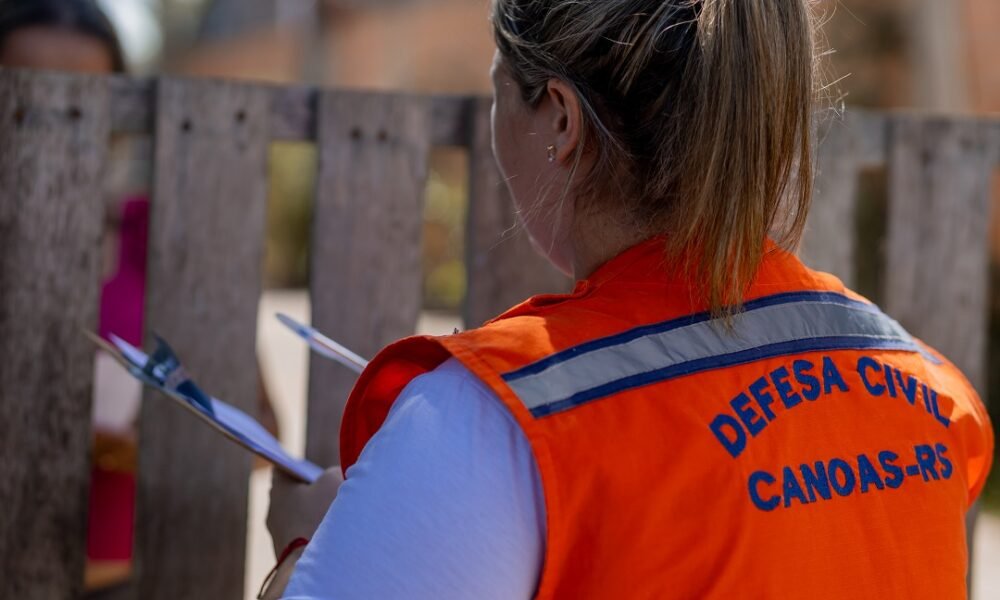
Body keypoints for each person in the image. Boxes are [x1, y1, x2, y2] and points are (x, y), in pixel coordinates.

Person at [264, 1, 994, 598]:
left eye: (496, 89)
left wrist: (306, 548)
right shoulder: (932, 397)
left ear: (559, 118)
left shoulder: (485, 422)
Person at [0, 1, 279, 594]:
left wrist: (147, 443)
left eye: (85, 101)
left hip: (123, 583)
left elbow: (259, 433)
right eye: (24, 98)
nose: (58, 122)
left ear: (124, 111)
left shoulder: (159, 238)